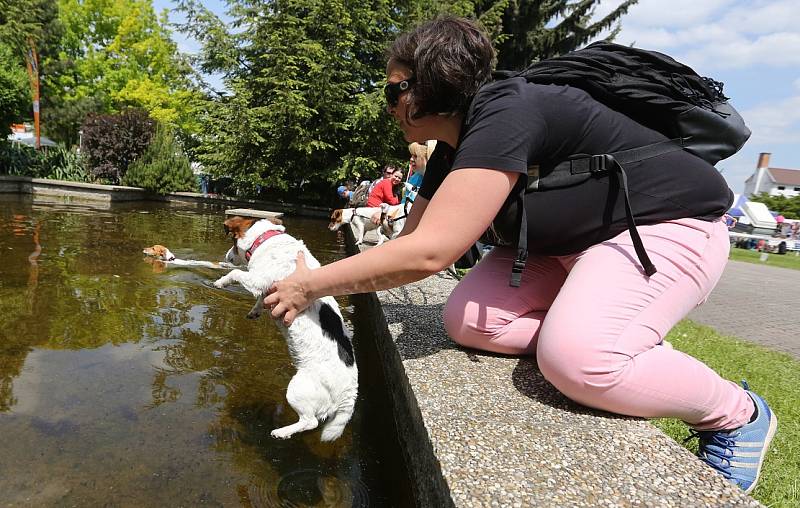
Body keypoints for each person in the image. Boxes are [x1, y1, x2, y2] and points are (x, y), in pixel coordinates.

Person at [265, 16, 777, 494]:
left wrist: (311, 285)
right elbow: (409, 241)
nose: (388, 105)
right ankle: (594, 335)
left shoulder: (507, 110)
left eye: (392, 90)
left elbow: (431, 255)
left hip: (664, 229)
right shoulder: (454, 144)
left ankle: (738, 413)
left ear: (429, 86)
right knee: (469, 321)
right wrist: (323, 273)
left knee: (578, 361)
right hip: (565, 249)